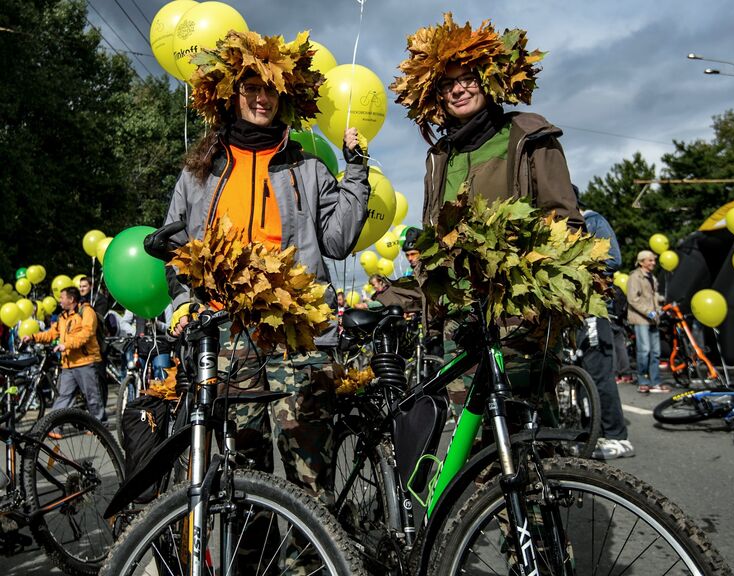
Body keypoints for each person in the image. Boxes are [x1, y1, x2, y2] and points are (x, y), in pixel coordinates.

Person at [145, 30, 370, 507]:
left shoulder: (306, 167)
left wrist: (356, 170)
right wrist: (186, 303)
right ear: (233, 95)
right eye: (251, 87)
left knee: (309, 474)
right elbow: (177, 248)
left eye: (270, 89)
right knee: (240, 473)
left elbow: (337, 239)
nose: (262, 97)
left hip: (298, 331)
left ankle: (312, 561)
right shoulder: (198, 172)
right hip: (227, 330)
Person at [391, 14, 583, 421]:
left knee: (530, 440)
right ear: (436, 94)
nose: (459, 89)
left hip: (520, 317)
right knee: (473, 448)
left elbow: (565, 221)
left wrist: (542, 300)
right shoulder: (439, 157)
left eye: (468, 78)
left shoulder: (530, 137)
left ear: (490, 78)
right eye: (447, 83)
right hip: (462, 319)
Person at [576, 188, 634, 459]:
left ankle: (617, 437)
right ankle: (593, 432)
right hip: (573, 311)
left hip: (593, 308)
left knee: (598, 370)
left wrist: (576, 269)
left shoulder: (592, 220)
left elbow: (614, 259)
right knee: (581, 374)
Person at [22, 286, 106, 434]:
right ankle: (55, 427)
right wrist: (34, 337)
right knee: (64, 397)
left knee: (92, 397)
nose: (59, 301)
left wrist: (65, 345)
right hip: (68, 364)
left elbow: (87, 334)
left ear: (71, 299)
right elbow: (51, 333)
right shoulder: (63, 316)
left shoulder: (87, 312)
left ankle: (98, 426)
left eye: (62, 298)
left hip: (86, 361)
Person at [628, 250, 671, 393]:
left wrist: (660, 303)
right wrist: (650, 312)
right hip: (641, 319)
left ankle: (655, 382)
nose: (653, 263)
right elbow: (633, 299)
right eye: (650, 260)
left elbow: (653, 296)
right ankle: (642, 381)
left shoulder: (651, 277)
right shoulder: (635, 277)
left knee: (656, 352)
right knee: (644, 351)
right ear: (641, 262)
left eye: (653, 260)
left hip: (653, 319)